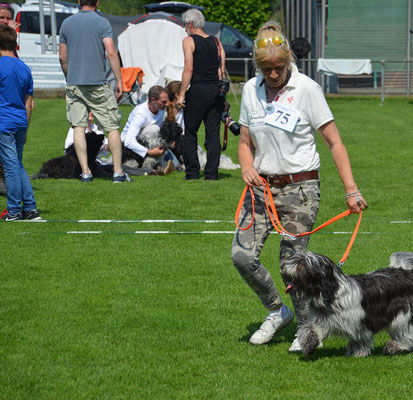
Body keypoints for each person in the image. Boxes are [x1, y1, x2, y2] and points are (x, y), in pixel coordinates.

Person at [230, 22, 368, 352]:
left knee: (291, 266)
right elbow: (245, 141)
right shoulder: (250, 90)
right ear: (257, 65)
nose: (274, 73)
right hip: (261, 189)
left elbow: (334, 142)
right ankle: (278, 311)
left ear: (289, 59)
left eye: (279, 66)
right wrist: (247, 165)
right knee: (241, 256)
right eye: (267, 68)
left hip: (300, 189)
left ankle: (307, 327)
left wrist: (351, 189)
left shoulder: (307, 90)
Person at [58, 0, 127, 183]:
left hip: (75, 83)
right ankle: (118, 172)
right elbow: (111, 53)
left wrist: (68, 76)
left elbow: (62, 57)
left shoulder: (66, 23)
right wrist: (119, 80)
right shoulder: (102, 22)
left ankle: (86, 172)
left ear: (79, 2)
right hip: (97, 83)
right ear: (97, 2)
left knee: (78, 127)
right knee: (111, 126)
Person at [177, 8, 225, 180]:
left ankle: (192, 172)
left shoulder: (188, 41)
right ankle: (212, 173)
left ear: (190, 24)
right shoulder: (216, 42)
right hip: (215, 91)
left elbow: (188, 68)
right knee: (213, 134)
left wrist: (182, 93)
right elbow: (222, 71)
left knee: (190, 132)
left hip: (197, 90)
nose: (184, 28)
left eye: (184, 25)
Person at [0, 25, 41, 221]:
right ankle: (31, 208)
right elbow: (29, 103)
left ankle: (14, 211)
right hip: (19, 121)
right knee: (17, 164)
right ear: (15, 44)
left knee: (10, 166)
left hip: (4, 122)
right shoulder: (24, 67)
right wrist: (26, 128)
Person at [121, 85, 168, 160]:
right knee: (154, 129)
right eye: (163, 102)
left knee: (176, 164)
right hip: (127, 146)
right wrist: (150, 152)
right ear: (153, 100)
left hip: (151, 142)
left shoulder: (163, 110)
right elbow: (128, 141)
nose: (167, 104)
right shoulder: (140, 113)